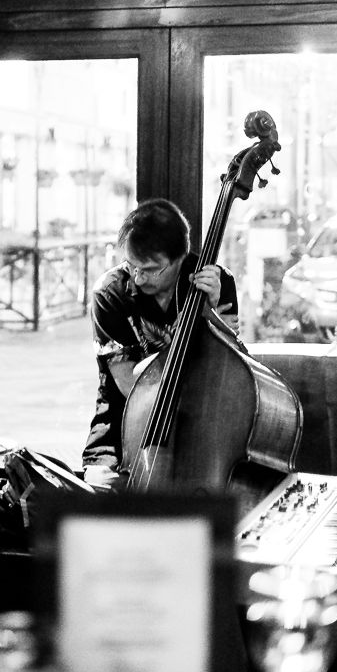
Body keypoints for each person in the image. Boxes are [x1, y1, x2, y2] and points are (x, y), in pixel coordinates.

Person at [81, 198, 239, 489]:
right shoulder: (110, 293)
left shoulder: (215, 283)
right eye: (132, 265)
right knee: (103, 494)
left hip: (199, 431)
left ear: (180, 258)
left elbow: (227, 375)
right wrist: (192, 339)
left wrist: (212, 317)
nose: (138, 278)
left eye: (150, 269)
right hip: (120, 433)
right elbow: (133, 387)